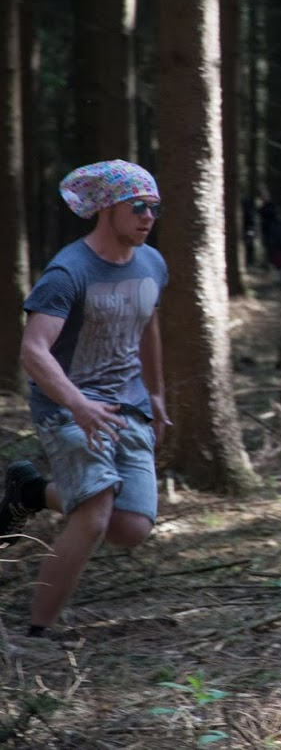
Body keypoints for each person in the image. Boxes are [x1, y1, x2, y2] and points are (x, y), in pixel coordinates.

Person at [0, 160, 170, 641]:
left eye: (154, 208)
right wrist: (78, 405)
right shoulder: (68, 271)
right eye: (138, 206)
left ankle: (32, 493)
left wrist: (157, 393)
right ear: (106, 208)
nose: (148, 217)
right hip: (66, 406)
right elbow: (34, 351)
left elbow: (148, 325)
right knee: (94, 514)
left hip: (127, 406)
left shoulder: (152, 263)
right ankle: (37, 633)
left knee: (132, 528)